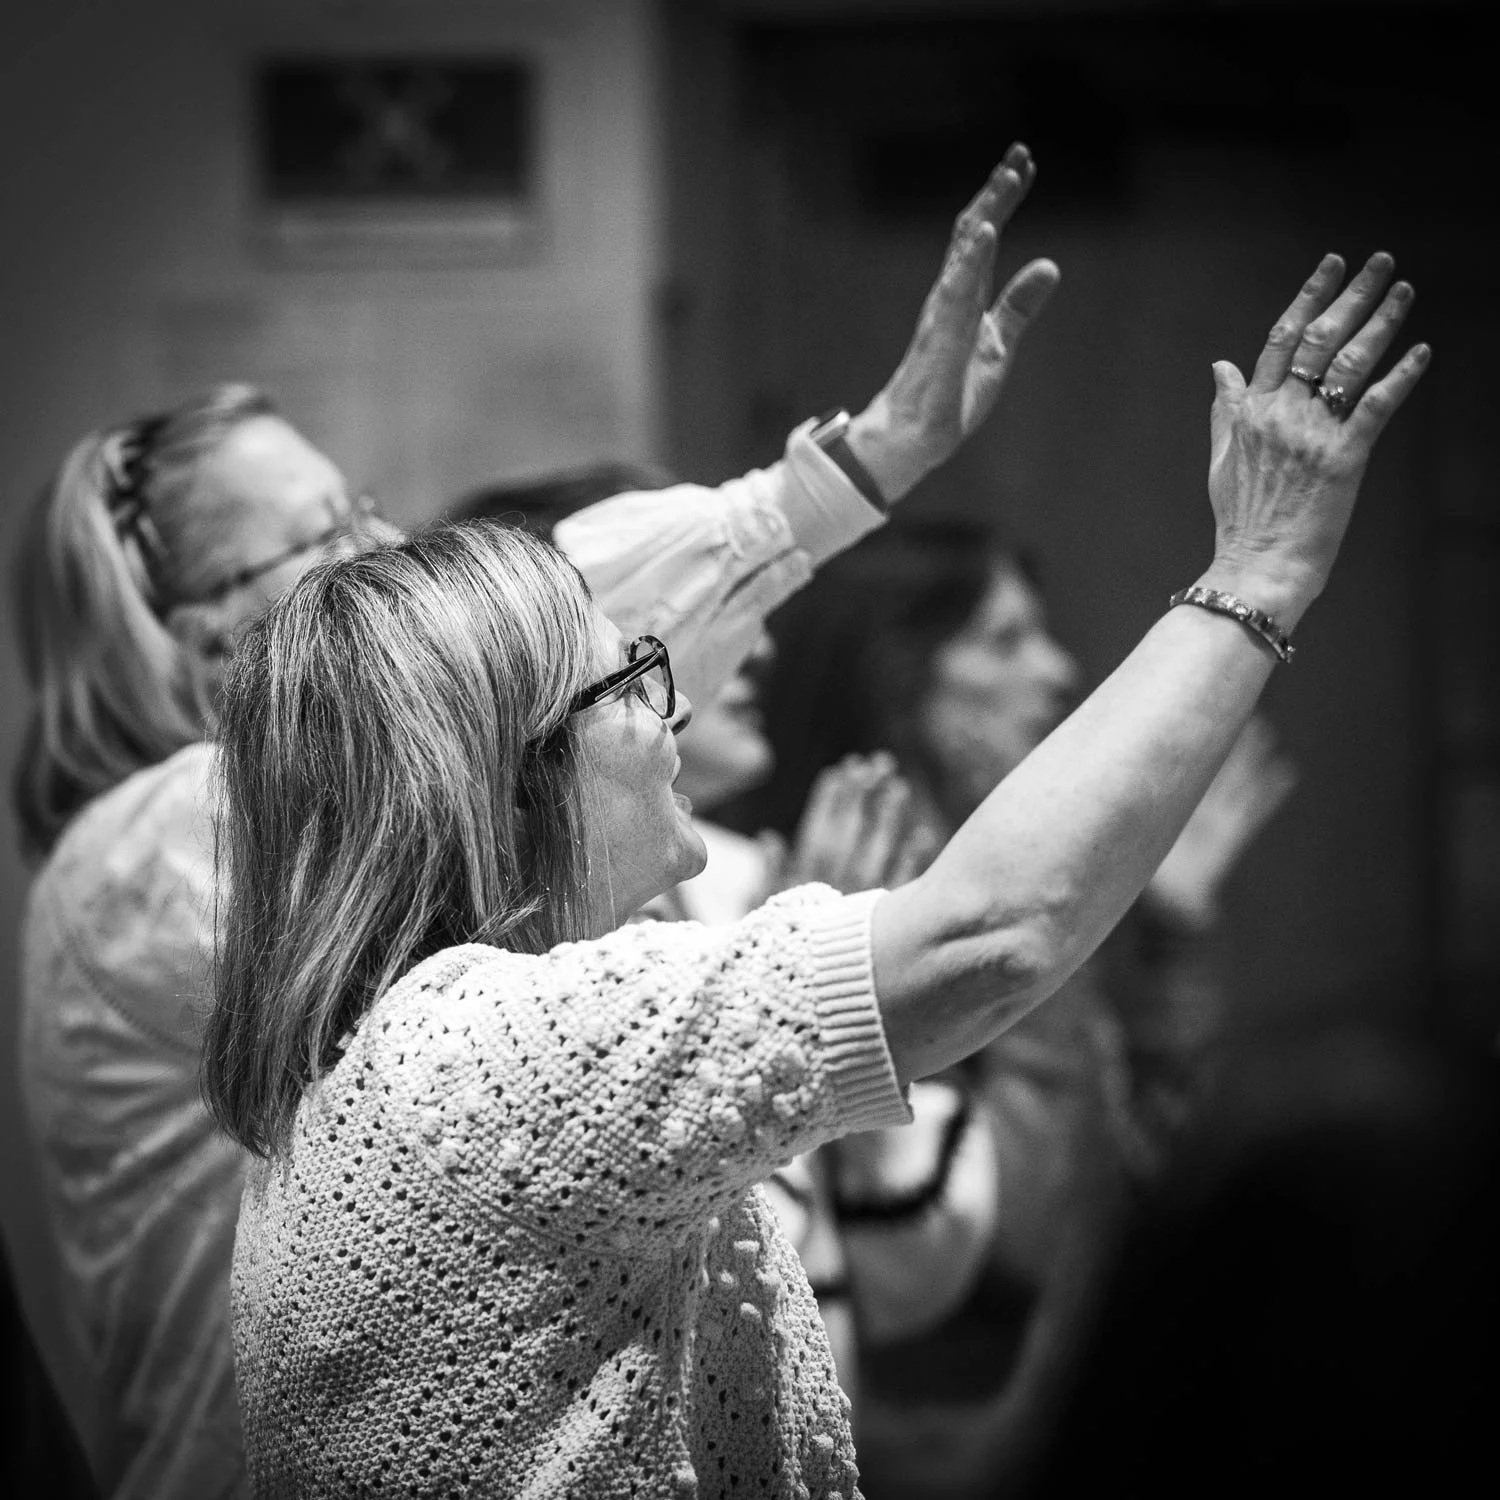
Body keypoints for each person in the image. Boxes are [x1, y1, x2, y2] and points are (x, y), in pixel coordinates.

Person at [205, 203, 1428, 1491]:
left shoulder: (435, 1041)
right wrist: (1263, 567)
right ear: (514, 782)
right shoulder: (486, 1047)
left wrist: (873, 457)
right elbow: (990, 941)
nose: (673, 701)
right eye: (628, 679)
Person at [11, 144, 1060, 1500]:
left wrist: (854, 473)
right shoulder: (142, 857)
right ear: (212, 636)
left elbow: (544, 655)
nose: (386, 552)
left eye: (371, 506)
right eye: (330, 536)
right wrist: (821, 490)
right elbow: (534, 651)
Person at [741, 519, 1297, 1495]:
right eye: (1003, 641)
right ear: (897, 672)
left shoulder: (1015, 887)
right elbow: (1004, 1250)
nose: (1056, 669)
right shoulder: (838, 898)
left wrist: (1168, 928)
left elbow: (1131, 1182)